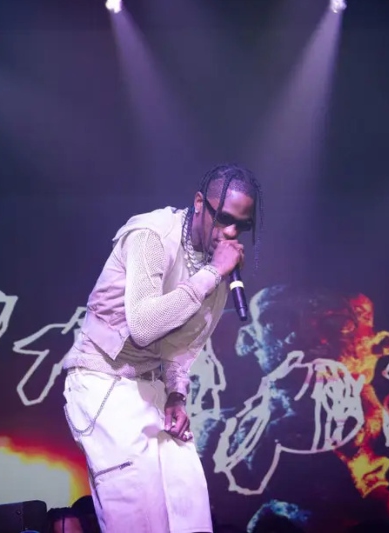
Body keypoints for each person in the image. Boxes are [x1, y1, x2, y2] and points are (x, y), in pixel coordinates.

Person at [62, 164, 263, 533]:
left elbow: (182, 343)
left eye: (242, 225)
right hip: (102, 380)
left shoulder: (214, 266)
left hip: (150, 386)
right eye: (224, 219)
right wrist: (212, 274)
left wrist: (175, 394)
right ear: (199, 203)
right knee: (138, 516)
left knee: (189, 506)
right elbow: (143, 327)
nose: (231, 233)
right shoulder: (151, 235)